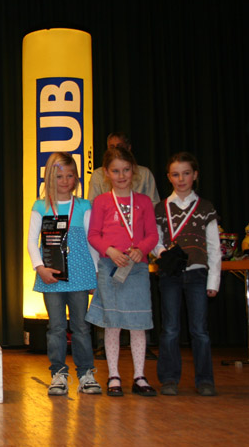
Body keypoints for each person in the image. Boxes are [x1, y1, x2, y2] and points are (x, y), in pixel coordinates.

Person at [85, 146, 159, 396]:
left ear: (133, 170)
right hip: (110, 267)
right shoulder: (101, 202)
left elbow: (152, 235)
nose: (121, 175)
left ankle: (139, 376)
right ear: (106, 173)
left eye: (126, 170)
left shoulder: (144, 202)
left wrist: (141, 249)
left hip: (136, 269)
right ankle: (114, 376)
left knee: (138, 324)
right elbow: (93, 235)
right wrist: (110, 251)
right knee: (112, 324)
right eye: (115, 171)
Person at [27, 153, 101, 395]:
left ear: (76, 178)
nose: (65, 181)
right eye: (59, 176)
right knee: (56, 327)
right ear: (50, 177)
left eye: (70, 176)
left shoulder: (84, 206)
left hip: (80, 277)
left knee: (81, 327)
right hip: (52, 277)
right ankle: (58, 373)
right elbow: (31, 242)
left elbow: (92, 242)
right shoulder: (40, 206)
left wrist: (95, 274)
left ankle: (86, 373)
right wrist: (40, 268)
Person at [153, 152, 220, 396]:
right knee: (170, 328)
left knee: (199, 330)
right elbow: (154, 240)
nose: (181, 179)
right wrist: (163, 254)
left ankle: (205, 380)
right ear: (169, 177)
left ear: (195, 175)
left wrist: (213, 281)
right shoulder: (160, 208)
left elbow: (214, 247)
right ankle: (169, 379)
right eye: (176, 174)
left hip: (197, 274)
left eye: (186, 173)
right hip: (170, 275)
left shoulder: (205, 208)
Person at [88, 132, 159, 204]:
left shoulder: (145, 174)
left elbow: (154, 203)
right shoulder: (97, 175)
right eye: (112, 147)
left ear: (128, 148)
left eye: (119, 146)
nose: (116, 150)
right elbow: (92, 204)